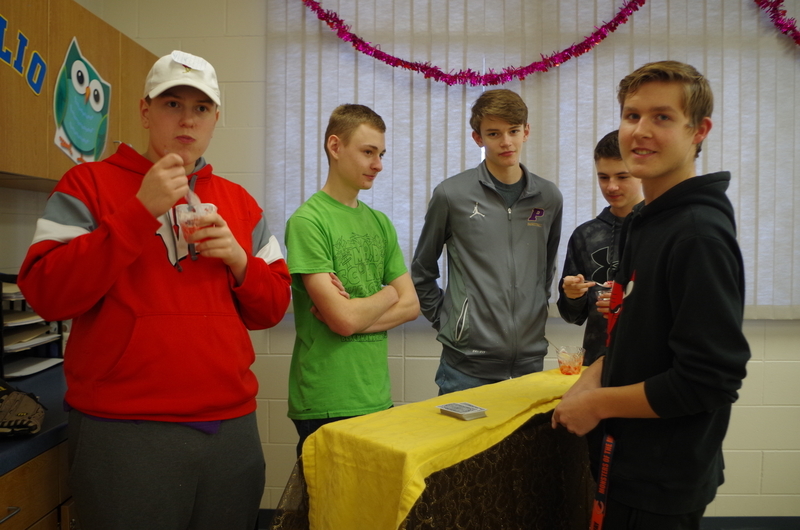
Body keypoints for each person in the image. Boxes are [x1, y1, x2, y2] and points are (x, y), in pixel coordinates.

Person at [18, 51, 291, 530]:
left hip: (230, 430)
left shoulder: (240, 203)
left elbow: (273, 308)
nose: (187, 120)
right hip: (123, 430)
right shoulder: (87, 184)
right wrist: (138, 212)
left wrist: (238, 260)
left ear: (216, 118)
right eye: (172, 104)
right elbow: (46, 293)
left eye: (201, 108)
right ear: (145, 112)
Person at [551, 61, 750, 530]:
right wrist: (594, 375)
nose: (640, 131)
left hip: (660, 480)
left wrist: (597, 404)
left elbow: (710, 381)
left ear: (698, 131)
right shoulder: (647, 222)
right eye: (632, 115)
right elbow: (633, 334)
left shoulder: (697, 234)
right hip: (624, 460)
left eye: (662, 117)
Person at [284, 104, 419, 457]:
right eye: (368, 152)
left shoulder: (380, 223)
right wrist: (388, 294)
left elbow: (411, 305)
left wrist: (352, 315)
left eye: (381, 154)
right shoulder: (308, 221)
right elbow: (345, 319)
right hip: (326, 399)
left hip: (375, 395)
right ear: (335, 147)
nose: (378, 165)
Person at [411, 89, 563, 395]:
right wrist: (448, 321)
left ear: (526, 132)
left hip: (529, 363)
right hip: (465, 368)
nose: (506, 142)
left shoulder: (548, 197)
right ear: (477, 138)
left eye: (513, 131)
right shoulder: (451, 195)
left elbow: (545, 270)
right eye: (494, 133)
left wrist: (534, 316)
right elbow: (422, 269)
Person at [556, 130, 643, 365]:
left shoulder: (663, 229)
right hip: (596, 361)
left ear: (641, 173)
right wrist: (572, 295)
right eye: (603, 177)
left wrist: (629, 303)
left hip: (650, 364)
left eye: (622, 177)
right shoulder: (585, 235)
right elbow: (572, 315)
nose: (611, 187)